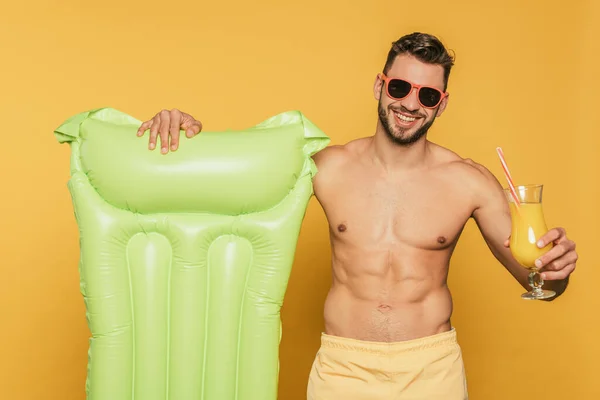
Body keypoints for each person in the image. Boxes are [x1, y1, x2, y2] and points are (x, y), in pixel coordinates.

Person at [136, 32, 578, 399]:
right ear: (379, 85)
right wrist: (189, 137)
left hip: (432, 370)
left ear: (441, 103)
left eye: (426, 94)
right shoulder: (325, 167)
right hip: (343, 370)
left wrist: (556, 270)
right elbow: (229, 183)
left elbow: (539, 282)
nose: (410, 103)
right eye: (399, 87)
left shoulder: (470, 181)